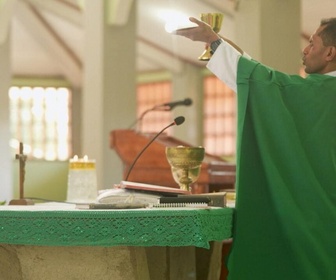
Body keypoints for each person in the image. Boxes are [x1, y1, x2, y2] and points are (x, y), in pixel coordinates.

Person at [175, 18, 336, 280]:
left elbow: (259, 82)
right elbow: (257, 77)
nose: (305, 51)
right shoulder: (318, 93)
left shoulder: (322, 93)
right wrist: (217, 42)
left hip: (309, 220)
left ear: (330, 53)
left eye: (311, 43)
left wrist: (212, 41)